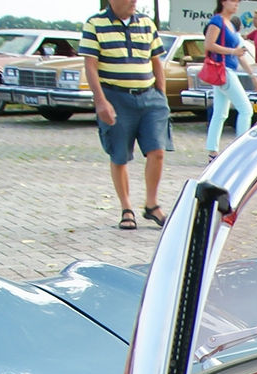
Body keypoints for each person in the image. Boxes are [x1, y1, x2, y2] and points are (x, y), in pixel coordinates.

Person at [82, 0, 173, 230]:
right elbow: (90, 66)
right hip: (116, 98)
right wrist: (101, 101)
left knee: (157, 151)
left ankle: (152, 205)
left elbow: (156, 61)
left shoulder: (146, 23)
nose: (134, 1)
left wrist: (161, 95)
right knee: (119, 155)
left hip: (150, 97)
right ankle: (126, 208)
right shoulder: (95, 24)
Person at [205, 0, 257, 163]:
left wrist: (252, 75)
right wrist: (232, 51)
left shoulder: (230, 25)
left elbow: (240, 54)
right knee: (245, 109)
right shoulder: (217, 21)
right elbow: (208, 44)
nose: (236, 5)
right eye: (233, 1)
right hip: (223, 69)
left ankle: (212, 152)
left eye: (238, 2)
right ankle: (240, 151)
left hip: (227, 69)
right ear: (223, 2)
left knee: (220, 112)